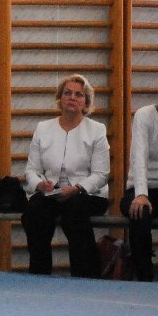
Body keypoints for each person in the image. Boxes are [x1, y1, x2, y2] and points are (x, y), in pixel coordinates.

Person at [22, 74, 110, 278]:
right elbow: (31, 170)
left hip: (87, 194)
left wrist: (76, 189)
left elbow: (101, 175)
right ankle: (39, 274)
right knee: (34, 211)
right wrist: (40, 185)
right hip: (52, 193)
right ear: (60, 98)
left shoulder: (97, 130)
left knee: (74, 209)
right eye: (67, 93)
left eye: (79, 95)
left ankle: (85, 277)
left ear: (86, 102)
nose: (72, 97)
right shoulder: (43, 128)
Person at [119, 77, 158, 281]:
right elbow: (139, 156)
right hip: (140, 187)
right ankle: (144, 276)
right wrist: (141, 194)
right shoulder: (145, 115)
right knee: (139, 212)